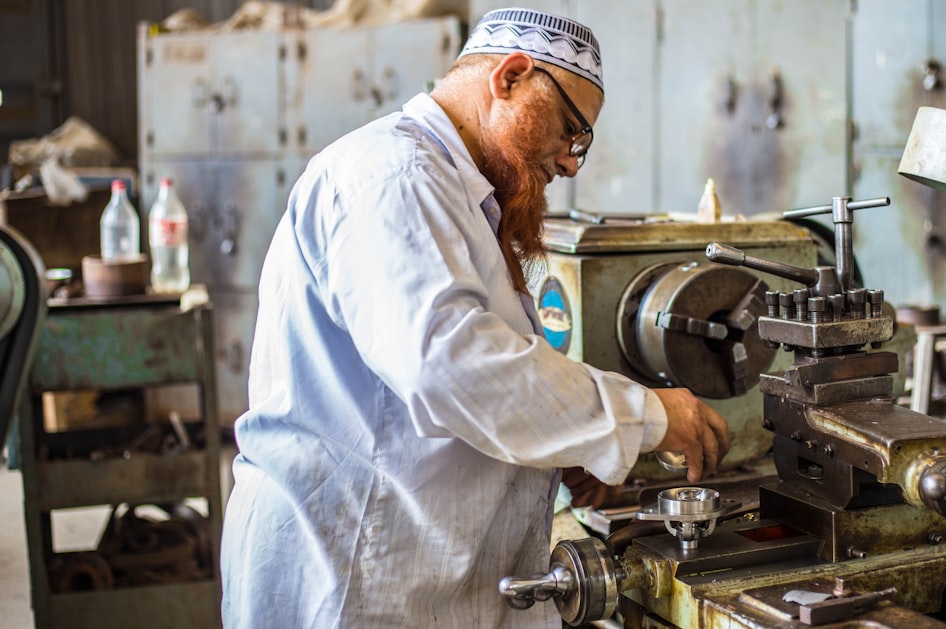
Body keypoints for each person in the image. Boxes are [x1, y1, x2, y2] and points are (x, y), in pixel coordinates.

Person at [220, 7, 730, 627]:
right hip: (350, 577)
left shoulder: (456, 196)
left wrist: (558, 451)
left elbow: (466, 373)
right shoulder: (395, 177)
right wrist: (647, 416)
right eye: (572, 130)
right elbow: (451, 366)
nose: (570, 162)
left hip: (401, 570)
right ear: (511, 76)